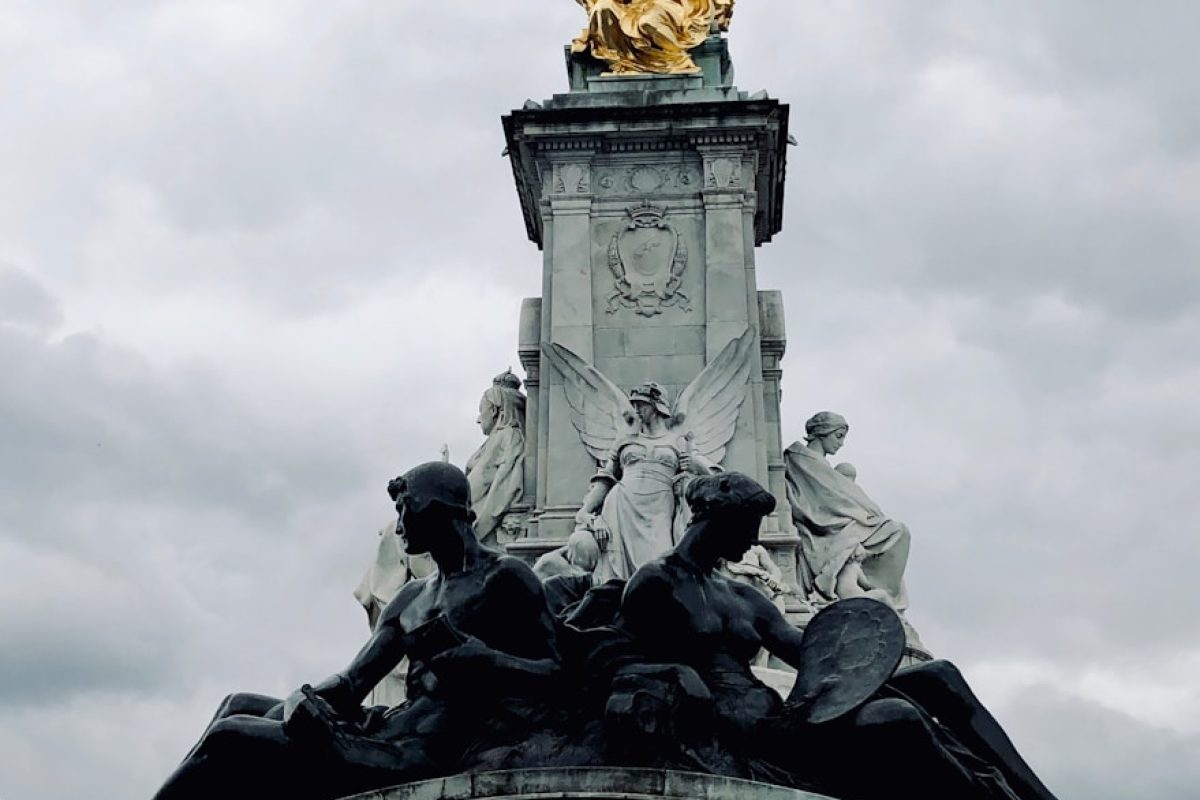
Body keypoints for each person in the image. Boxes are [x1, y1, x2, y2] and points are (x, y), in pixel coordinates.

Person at [613, 472, 1059, 800]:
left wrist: (862, 641)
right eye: (749, 526)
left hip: (785, 716)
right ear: (720, 520)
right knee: (896, 717)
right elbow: (620, 658)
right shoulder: (657, 582)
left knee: (939, 676)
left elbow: (810, 652)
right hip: (747, 731)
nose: (754, 541)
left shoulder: (745, 598)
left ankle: (1036, 795)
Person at [153, 462, 561, 800]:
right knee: (237, 703)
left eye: (406, 508)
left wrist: (486, 660)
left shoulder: (505, 578)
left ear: (437, 509)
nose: (398, 524)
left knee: (229, 736)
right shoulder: (411, 597)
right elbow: (352, 684)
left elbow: (558, 674)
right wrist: (303, 701)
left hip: (418, 752)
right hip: (383, 728)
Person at [575, 382, 718, 582]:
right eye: (635, 404)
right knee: (618, 579)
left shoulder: (678, 442)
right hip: (621, 506)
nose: (637, 410)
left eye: (642, 404)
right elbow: (606, 477)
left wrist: (692, 465)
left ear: (657, 406)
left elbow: (714, 476)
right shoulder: (625, 440)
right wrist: (586, 510)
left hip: (660, 509)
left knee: (659, 565)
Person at [784, 412, 913, 615]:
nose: (841, 443)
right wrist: (864, 514)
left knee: (898, 531)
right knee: (897, 531)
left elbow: (842, 496)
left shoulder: (819, 463)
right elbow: (826, 501)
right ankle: (888, 603)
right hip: (826, 523)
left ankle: (888, 602)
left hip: (839, 520)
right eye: (838, 436)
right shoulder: (802, 459)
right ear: (822, 433)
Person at [465, 369, 526, 546]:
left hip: (478, 531)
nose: (478, 419)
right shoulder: (497, 439)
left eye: (481, 410)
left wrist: (471, 534)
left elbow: (503, 491)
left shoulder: (509, 437)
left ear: (494, 410)